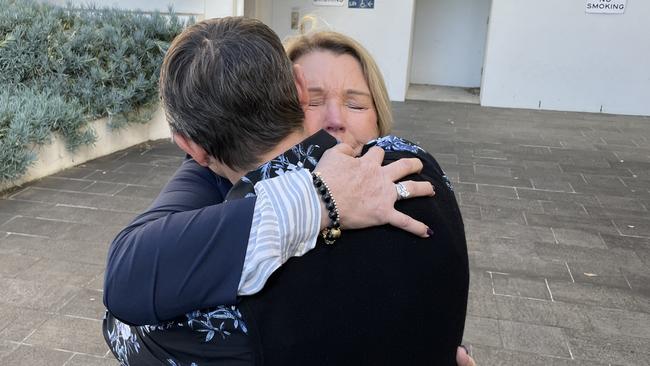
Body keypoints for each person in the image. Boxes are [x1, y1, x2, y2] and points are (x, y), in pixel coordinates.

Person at [103, 17, 469, 365]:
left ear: (190, 147)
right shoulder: (417, 167)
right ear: (297, 88)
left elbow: (121, 320)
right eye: (316, 99)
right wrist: (318, 194)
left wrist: (209, 144)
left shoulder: (219, 316)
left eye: (355, 102)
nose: (335, 119)